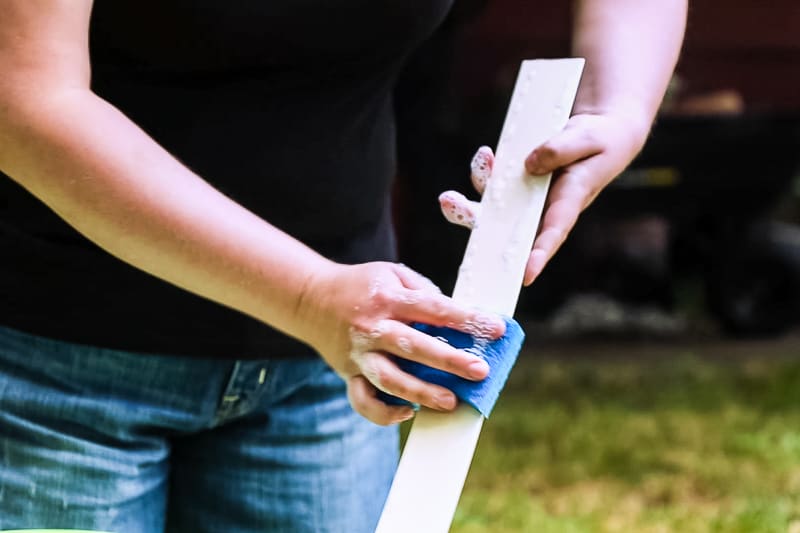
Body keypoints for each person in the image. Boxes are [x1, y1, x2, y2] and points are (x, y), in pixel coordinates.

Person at [0, 1, 687, 531]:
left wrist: (618, 107)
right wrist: (307, 295)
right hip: (46, 369)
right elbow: (21, 98)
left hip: (323, 368)